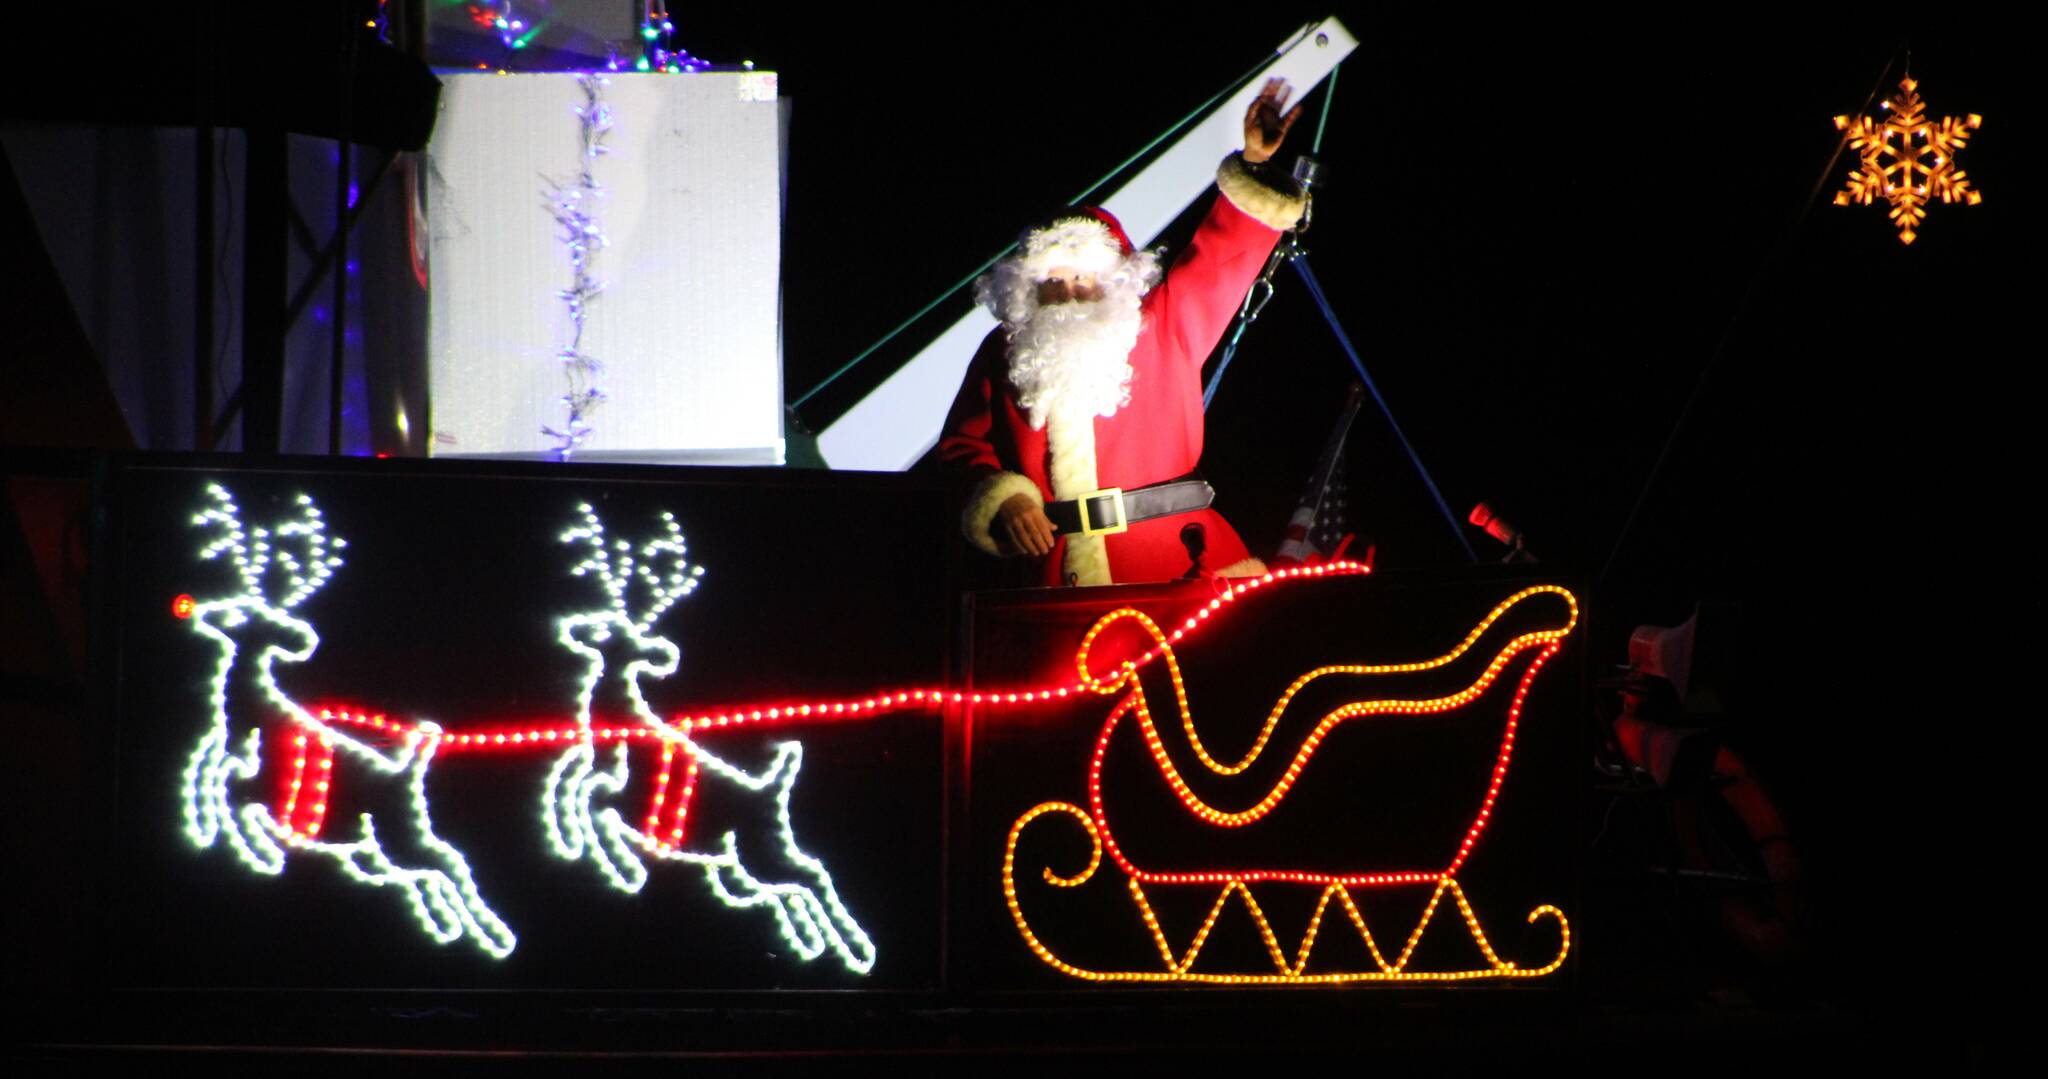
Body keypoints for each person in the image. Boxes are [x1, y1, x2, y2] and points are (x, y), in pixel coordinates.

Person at [939, 78, 1308, 587]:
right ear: (1028, 289)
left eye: (1084, 279)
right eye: (1055, 282)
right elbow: (963, 449)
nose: (1070, 294)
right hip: (1055, 576)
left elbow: (1221, 259)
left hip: (1176, 565)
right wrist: (1007, 498)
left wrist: (1255, 166)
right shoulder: (1004, 353)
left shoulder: (1161, 325)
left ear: (1113, 283)